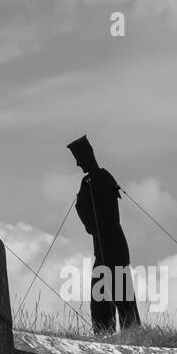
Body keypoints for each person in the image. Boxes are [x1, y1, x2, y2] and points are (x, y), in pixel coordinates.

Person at [68, 135, 141, 333]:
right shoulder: (88, 181)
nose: (77, 164)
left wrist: (87, 198)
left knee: (122, 296)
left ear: (87, 156)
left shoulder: (102, 178)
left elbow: (108, 217)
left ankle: (132, 334)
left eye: (79, 158)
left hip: (113, 248)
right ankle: (103, 336)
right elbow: (89, 222)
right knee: (99, 299)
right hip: (101, 250)